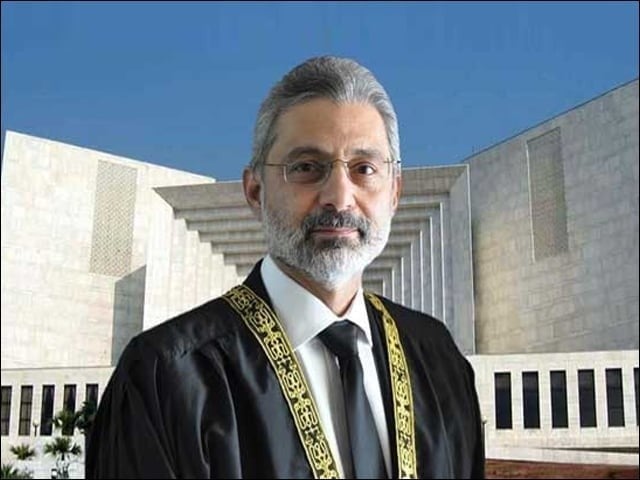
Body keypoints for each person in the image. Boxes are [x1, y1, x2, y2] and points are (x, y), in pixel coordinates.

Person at [86, 56, 484, 479]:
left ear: (395, 193)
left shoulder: (438, 361)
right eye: (306, 167)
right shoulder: (166, 377)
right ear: (255, 190)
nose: (339, 197)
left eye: (364, 169)